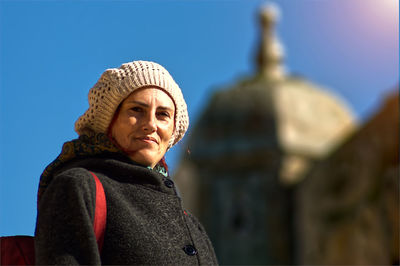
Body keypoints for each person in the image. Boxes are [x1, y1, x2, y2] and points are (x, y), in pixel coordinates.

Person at [34, 60, 218, 265]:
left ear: (173, 131)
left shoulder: (192, 227)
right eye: (137, 110)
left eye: (162, 115)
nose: (150, 124)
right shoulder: (78, 188)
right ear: (109, 121)